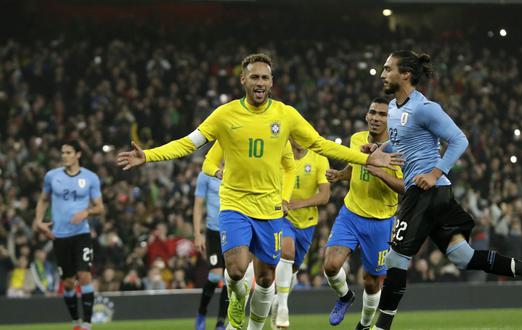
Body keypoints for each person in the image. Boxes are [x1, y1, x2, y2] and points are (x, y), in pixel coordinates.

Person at [116, 53, 403, 330]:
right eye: (254, 77)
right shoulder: (225, 114)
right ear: (243, 79)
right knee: (237, 269)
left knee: (266, 279)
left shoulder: (286, 115)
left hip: (269, 209)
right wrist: (149, 156)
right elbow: (189, 143)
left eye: (265, 77)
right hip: (235, 204)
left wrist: (365, 159)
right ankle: (238, 299)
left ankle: (253, 326)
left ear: (272, 82)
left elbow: (319, 144)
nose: (260, 83)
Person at [371, 50, 522, 330]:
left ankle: (379, 328)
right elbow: (401, 142)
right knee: (464, 256)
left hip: (427, 192)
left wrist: (435, 172)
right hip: (434, 196)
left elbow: (459, 140)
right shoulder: (394, 108)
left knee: (396, 258)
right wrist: (379, 148)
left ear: (406, 75)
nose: (383, 74)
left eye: (388, 69)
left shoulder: (425, 108)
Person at [323, 98, 404, 329]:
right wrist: (341, 175)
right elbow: (355, 168)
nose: (376, 118)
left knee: (371, 282)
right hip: (351, 214)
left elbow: (405, 187)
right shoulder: (356, 139)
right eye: (372, 112)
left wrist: (381, 173)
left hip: (380, 222)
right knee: (330, 266)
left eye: (382, 114)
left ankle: (365, 324)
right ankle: (346, 296)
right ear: (367, 115)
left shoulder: (398, 149)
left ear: (390, 120)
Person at [33, 141, 104, 330]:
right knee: (68, 283)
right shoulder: (52, 177)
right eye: (62, 152)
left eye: (68, 152)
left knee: (84, 276)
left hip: (81, 234)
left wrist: (86, 213)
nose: (64, 156)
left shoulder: (90, 178)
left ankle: (87, 325)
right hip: (60, 236)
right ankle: (76, 322)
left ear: (78, 154)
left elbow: (100, 207)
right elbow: (43, 200)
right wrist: (38, 221)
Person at [270, 138, 331, 329]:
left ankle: (277, 301)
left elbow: (325, 196)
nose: (301, 139)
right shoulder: (279, 154)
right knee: (286, 253)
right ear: (289, 137)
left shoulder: (319, 158)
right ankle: (283, 308)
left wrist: (299, 204)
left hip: (306, 222)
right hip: (281, 216)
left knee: (293, 270)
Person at [193, 159, 228, 330]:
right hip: (214, 232)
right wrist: (197, 234)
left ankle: (221, 322)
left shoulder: (236, 170)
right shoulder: (205, 174)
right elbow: (198, 205)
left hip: (232, 232)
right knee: (215, 276)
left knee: (231, 279)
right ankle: (201, 312)